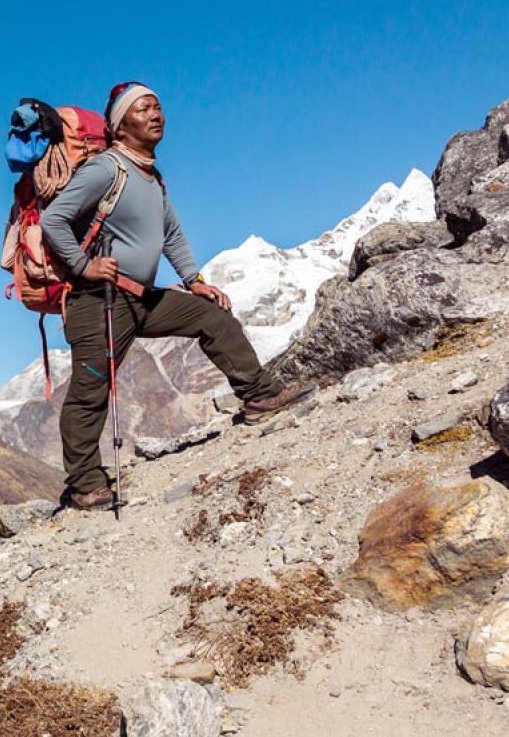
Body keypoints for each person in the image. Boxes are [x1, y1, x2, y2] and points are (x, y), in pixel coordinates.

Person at [39, 81, 314, 511]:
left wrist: (194, 279)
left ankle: (259, 396)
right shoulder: (106, 170)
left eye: (158, 106)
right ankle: (85, 483)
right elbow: (53, 220)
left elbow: (171, 233)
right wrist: (83, 265)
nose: (156, 114)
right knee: (90, 390)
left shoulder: (153, 178)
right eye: (143, 108)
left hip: (142, 299)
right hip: (98, 301)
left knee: (211, 314)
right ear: (120, 126)